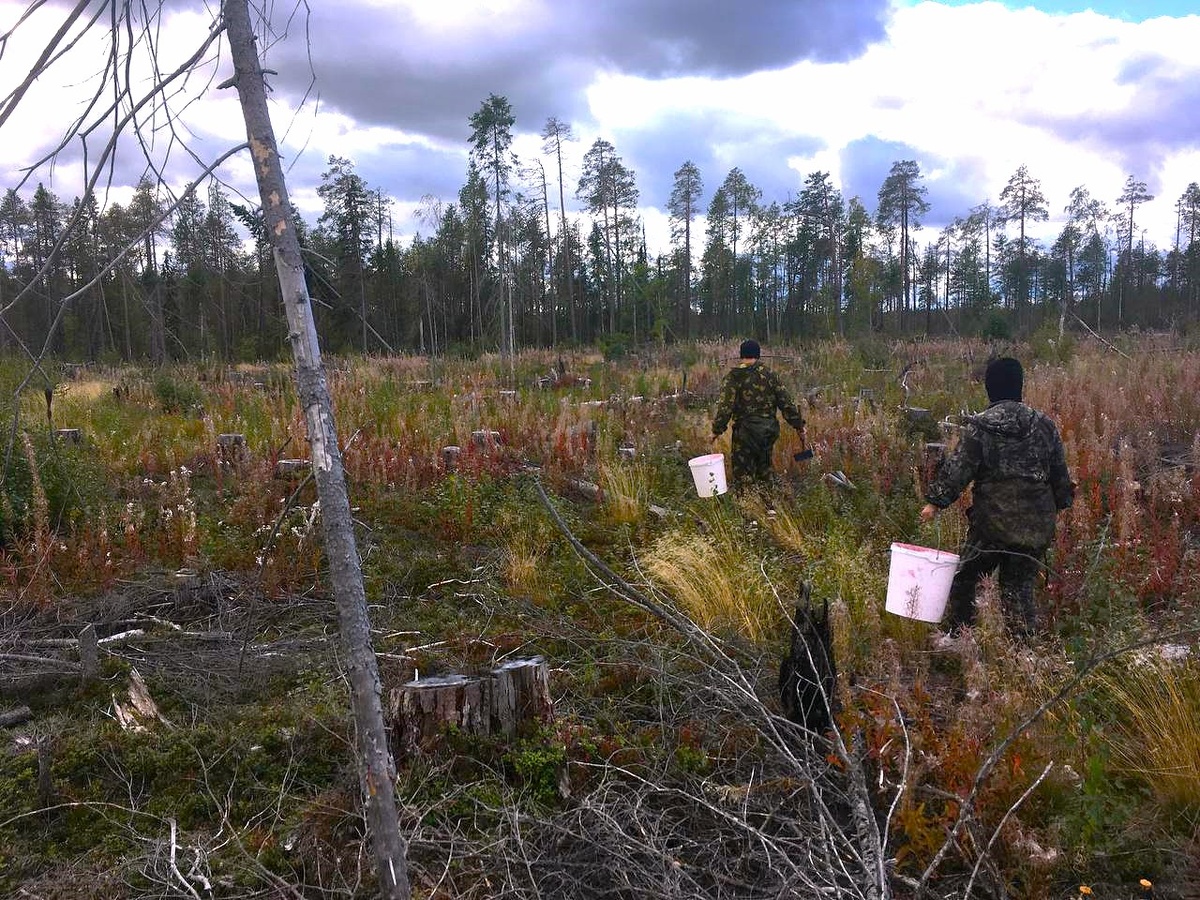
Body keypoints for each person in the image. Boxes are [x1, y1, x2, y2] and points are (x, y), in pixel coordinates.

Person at [920, 357, 1074, 638]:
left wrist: (934, 502)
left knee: (965, 578)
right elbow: (1060, 476)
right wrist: (1062, 501)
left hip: (992, 527)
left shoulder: (981, 427)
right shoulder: (1045, 426)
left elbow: (957, 471)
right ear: (1019, 386)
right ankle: (1021, 650)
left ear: (990, 389)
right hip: (1035, 528)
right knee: (1019, 587)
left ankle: (961, 637)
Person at [712, 339, 806, 491]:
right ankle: (770, 507)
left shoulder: (733, 377)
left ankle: (748, 507)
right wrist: (798, 425)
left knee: (743, 475)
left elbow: (725, 408)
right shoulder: (770, 375)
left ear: (741, 355)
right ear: (758, 355)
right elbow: (786, 403)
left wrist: (716, 430)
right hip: (768, 432)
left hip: (745, 434)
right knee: (764, 468)